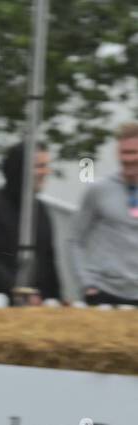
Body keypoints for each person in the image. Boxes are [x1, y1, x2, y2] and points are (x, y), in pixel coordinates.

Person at [0, 142, 60, 303]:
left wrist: (56, 299)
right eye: (40, 166)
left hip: (38, 308)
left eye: (46, 166)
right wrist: (21, 291)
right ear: (22, 170)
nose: (46, 172)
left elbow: (49, 264)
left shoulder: (41, 211)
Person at [69, 121, 138, 307]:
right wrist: (87, 284)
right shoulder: (99, 190)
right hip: (105, 295)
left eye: (134, 152)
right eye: (125, 153)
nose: (129, 159)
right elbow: (75, 239)